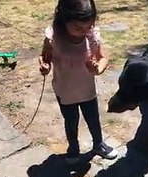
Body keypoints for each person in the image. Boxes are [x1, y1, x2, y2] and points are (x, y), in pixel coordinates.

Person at [38, 0, 118, 164]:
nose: (84, 31)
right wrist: (44, 66)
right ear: (64, 21)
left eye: (89, 26)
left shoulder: (91, 36)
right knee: (71, 121)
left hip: (86, 89)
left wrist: (97, 69)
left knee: (93, 119)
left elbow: (103, 58)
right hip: (64, 90)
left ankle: (99, 144)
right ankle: (73, 148)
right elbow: (45, 56)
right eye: (78, 28)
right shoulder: (54, 37)